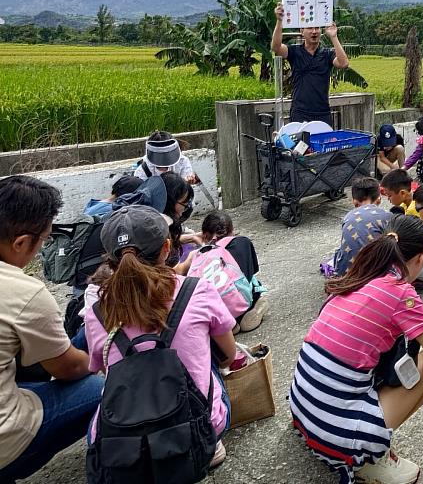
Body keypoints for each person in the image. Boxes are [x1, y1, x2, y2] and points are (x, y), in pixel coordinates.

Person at [290, 215, 423, 484]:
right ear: (421, 259)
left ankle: (369, 441)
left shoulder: (359, 275)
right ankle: (371, 457)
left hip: (305, 411)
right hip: (336, 435)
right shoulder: (401, 292)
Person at [83, 205, 236, 469]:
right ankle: (207, 446)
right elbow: (229, 356)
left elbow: (101, 367)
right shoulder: (197, 290)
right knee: (209, 356)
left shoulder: (96, 310)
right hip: (195, 429)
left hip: (122, 443)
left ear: (109, 259)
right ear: (167, 248)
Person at [0, 176, 104, 482]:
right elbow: (68, 368)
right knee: (101, 388)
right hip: (6, 441)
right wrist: (104, 362)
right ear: (21, 242)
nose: (42, 247)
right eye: (44, 240)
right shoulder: (24, 291)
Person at [189, 210, 269, 333]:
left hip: (211, 314)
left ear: (204, 235)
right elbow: (251, 273)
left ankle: (228, 325)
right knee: (250, 282)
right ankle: (249, 309)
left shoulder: (197, 256)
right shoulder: (243, 242)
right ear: (232, 231)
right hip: (238, 304)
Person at [271, 2, 350, 126]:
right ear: (302, 31)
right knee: (300, 145)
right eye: (310, 28)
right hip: (299, 113)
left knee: (323, 144)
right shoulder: (295, 52)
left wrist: (334, 37)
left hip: (322, 113)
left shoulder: (326, 54)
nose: (314, 31)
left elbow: (344, 63)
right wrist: (279, 21)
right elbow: (276, 48)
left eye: (317, 28)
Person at [332, 177, 392, 277]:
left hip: (345, 276)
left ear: (354, 201)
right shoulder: (387, 216)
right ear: (379, 199)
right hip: (375, 276)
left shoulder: (348, 217)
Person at [161, 172, 195, 270]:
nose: (185, 208)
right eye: (184, 203)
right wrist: (185, 266)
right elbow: (161, 277)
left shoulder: (157, 220)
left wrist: (193, 237)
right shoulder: (158, 230)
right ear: (170, 202)